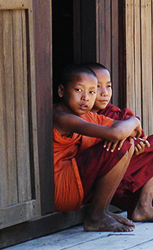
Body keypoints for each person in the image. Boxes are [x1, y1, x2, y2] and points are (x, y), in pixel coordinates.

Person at [53, 64, 141, 232]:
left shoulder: (87, 116)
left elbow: (122, 129)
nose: (86, 98)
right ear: (61, 91)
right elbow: (116, 133)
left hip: (75, 183)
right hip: (62, 190)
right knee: (118, 145)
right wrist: (134, 121)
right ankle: (95, 217)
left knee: (123, 142)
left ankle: (103, 211)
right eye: (79, 90)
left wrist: (128, 127)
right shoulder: (62, 116)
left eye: (91, 92)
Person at [86, 62, 153, 222]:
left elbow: (137, 135)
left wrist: (133, 143)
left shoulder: (114, 113)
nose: (104, 93)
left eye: (108, 86)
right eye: (97, 87)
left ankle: (145, 205)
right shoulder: (79, 116)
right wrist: (125, 143)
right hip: (96, 176)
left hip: (121, 172)